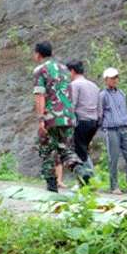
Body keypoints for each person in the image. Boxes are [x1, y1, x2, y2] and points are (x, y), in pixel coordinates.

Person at [31, 42, 92, 192]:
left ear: (38, 54)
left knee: (47, 149)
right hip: (68, 116)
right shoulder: (65, 69)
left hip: (52, 116)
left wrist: (41, 119)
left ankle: (52, 186)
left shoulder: (40, 70)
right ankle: (80, 170)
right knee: (66, 149)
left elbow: (39, 95)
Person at [98, 67, 127, 194]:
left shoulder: (122, 94)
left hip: (124, 128)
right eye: (112, 78)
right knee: (113, 158)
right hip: (111, 129)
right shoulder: (103, 95)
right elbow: (100, 113)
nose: (115, 80)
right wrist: (102, 127)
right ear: (106, 80)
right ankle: (114, 186)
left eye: (116, 77)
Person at [66, 60, 100, 166]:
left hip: (81, 121)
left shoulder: (74, 85)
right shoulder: (94, 85)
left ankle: (86, 179)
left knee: (79, 152)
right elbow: (100, 107)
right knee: (83, 150)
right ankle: (87, 178)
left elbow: (72, 105)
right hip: (94, 122)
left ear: (72, 71)